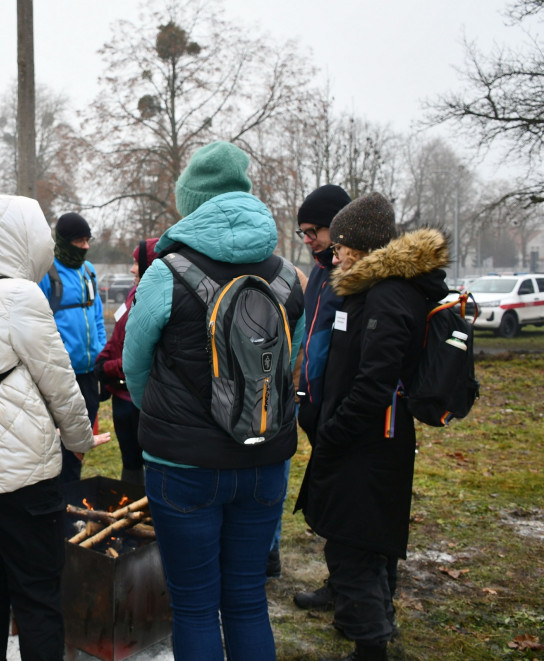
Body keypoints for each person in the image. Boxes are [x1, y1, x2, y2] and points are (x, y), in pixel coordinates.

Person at [123, 141, 305, 660]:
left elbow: (137, 365)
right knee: (248, 600)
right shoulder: (290, 275)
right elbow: (294, 364)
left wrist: (163, 415)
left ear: (192, 202)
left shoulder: (167, 272)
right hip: (266, 458)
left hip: (182, 466)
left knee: (196, 606)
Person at [0, 194, 110, 661]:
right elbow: (59, 384)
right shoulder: (18, 294)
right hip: (23, 478)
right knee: (37, 595)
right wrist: (78, 442)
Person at [297, 194, 448, 661]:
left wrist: (336, 429)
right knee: (366, 540)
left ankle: (371, 644)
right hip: (367, 440)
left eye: (339, 245)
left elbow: (375, 381)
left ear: (359, 246)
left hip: (368, 442)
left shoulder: (385, 295)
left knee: (354, 545)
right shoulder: (372, 289)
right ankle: (373, 627)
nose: (332, 254)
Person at [291, 184, 352, 607]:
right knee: (332, 505)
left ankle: (353, 596)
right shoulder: (318, 272)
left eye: (314, 230)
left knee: (349, 509)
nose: (309, 239)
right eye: (304, 232)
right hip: (314, 403)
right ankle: (341, 585)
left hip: (342, 408)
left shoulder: (354, 276)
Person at [37, 212, 107, 484]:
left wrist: (100, 350)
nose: (86, 246)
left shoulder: (89, 272)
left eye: (88, 240)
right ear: (65, 242)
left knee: (81, 441)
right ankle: (56, 492)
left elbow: (98, 316)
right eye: (79, 240)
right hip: (60, 376)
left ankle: (72, 492)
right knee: (57, 440)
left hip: (90, 375)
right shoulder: (47, 274)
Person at [94, 238, 159, 485]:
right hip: (121, 397)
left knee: (151, 464)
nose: (132, 269)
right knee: (130, 463)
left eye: (136, 263)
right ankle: (130, 510)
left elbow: (144, 356)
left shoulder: (155, 301)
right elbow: (118, 336)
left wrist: (108, 369)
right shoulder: (133, 292)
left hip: (141, 401)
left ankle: (151, 515)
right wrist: (102, 362)